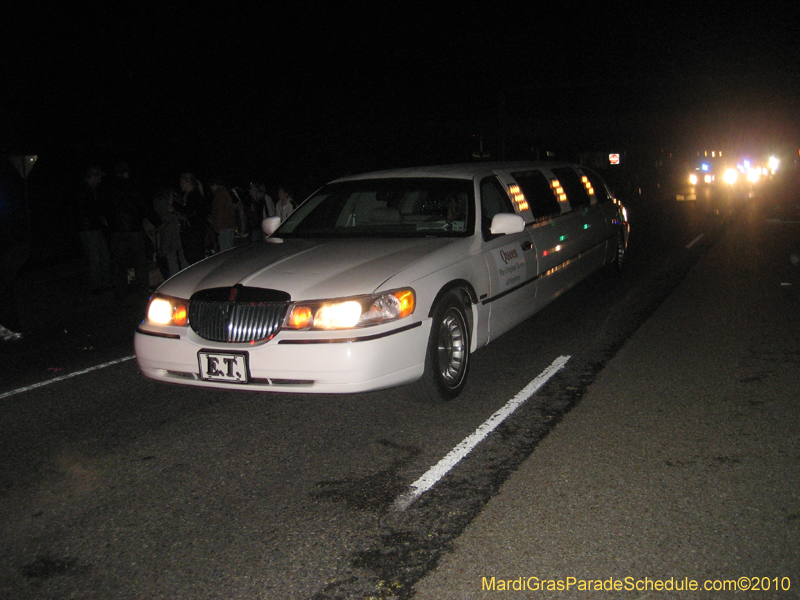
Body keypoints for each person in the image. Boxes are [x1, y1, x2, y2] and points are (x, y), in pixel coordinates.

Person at [107, 162, 150, 295]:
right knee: (139, 260)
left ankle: (121, 290)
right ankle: (142, 289)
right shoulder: (132, 186)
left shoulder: (109, 188)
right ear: (126, 173)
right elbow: (141, 206)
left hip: (117, 230)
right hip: (133, 229)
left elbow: (105, 208)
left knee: (119, 262)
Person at [75, 165, 112, 294]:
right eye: (98, 177)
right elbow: (86, 210)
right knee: (95, 257)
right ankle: (96, 286)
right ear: (92, 177)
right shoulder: (83, 190)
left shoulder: (91, 189)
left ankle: (105, 283)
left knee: (102, 254)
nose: (100, 180)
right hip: (88, 228)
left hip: (94, 226)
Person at [153, 188, 188, 278]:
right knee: (172, 257)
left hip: (178, 231)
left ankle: (186, 277)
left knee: (181, 256)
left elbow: (183, 211)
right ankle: (176, 279)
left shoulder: (175, 197)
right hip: (170, 232)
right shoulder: (160, 201)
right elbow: (164, 217)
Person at [175, 173, 208, 264]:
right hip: (194, 232)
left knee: (195, 259)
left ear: (188, 182)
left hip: (195, 232)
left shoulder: (194, 195)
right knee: (193, 258)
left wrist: (174, 206)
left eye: (182, 182)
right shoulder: (188, 195)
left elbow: (189, 211)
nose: (181, 185)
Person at [208, 176, 237, 252]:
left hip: (224, 226)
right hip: (228, 225)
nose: (211, 189)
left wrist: (217, 227)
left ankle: (230, 263)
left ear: (215, 185)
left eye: (211, 187)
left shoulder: (219, 194)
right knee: (228, 247)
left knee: (225, 249)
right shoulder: (225, 193)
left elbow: (219, 212)